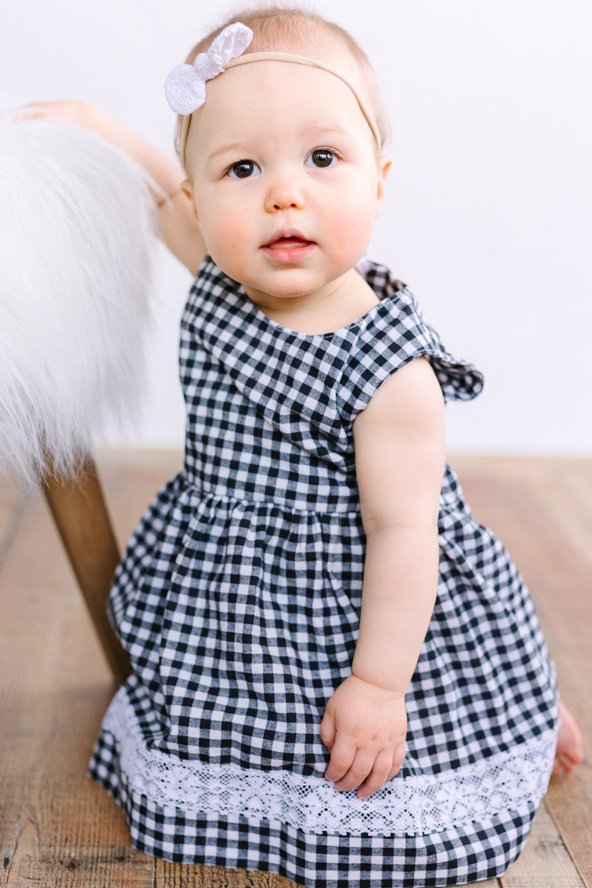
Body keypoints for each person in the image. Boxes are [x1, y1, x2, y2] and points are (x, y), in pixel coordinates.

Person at [36, 7, 582, 886]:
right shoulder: (222, 277)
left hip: (367, 595)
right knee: (221, 705)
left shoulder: (392, 372)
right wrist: (95, 129)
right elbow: (154, 194)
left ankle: (511, 719)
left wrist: (375, 687)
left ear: (379, 181)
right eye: (241, 168)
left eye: (322, 159)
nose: (283, 193)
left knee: (405, 716)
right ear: (200, 195)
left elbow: (406, 535)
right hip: (238, 584)